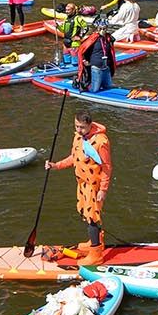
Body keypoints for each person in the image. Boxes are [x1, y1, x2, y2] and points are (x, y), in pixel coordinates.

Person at [48, 112, 113, 262]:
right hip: (82, 182)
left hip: (94, 185)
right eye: (76, 126)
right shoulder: (78, 137)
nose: (78, 130)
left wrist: (103, 189)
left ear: (90, 125)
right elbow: (74, 157)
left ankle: (96, 255)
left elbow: (107, 167)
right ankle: (97, 242)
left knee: (92, 217)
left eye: (82, 127)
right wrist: (56, 165)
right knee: (85, 212)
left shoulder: (101, 142)